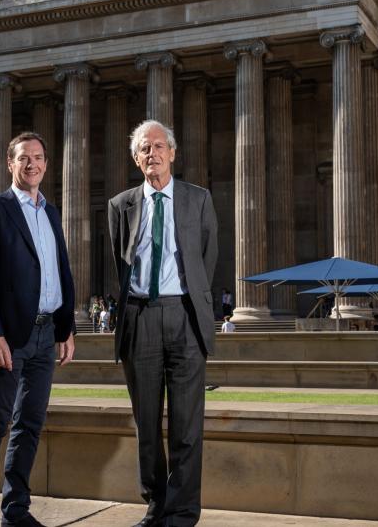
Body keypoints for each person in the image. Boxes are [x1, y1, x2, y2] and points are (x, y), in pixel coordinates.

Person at [108, 120, 218, 527]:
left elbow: (207, 259)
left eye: (158, 146)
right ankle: (156, 506)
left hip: (185, 315)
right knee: (148, 426)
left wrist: (188, 299)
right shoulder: (121, 205)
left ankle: (183, 512)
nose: (151, 153)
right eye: (143, 148)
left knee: (187, 425)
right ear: (136, 159)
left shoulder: (197, 199)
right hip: (140, 316)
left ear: (172, 153)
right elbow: (121, 260)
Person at [0, 131, 76, 527]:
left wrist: (67, 327)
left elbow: (59, 272)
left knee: (30, 425)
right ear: (9, 164)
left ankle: (16, 511)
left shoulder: (51, 212)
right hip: (8, 336)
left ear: (46, 164)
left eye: (39, 157)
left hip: (46, 334)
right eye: (24, 158)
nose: (32, 164)